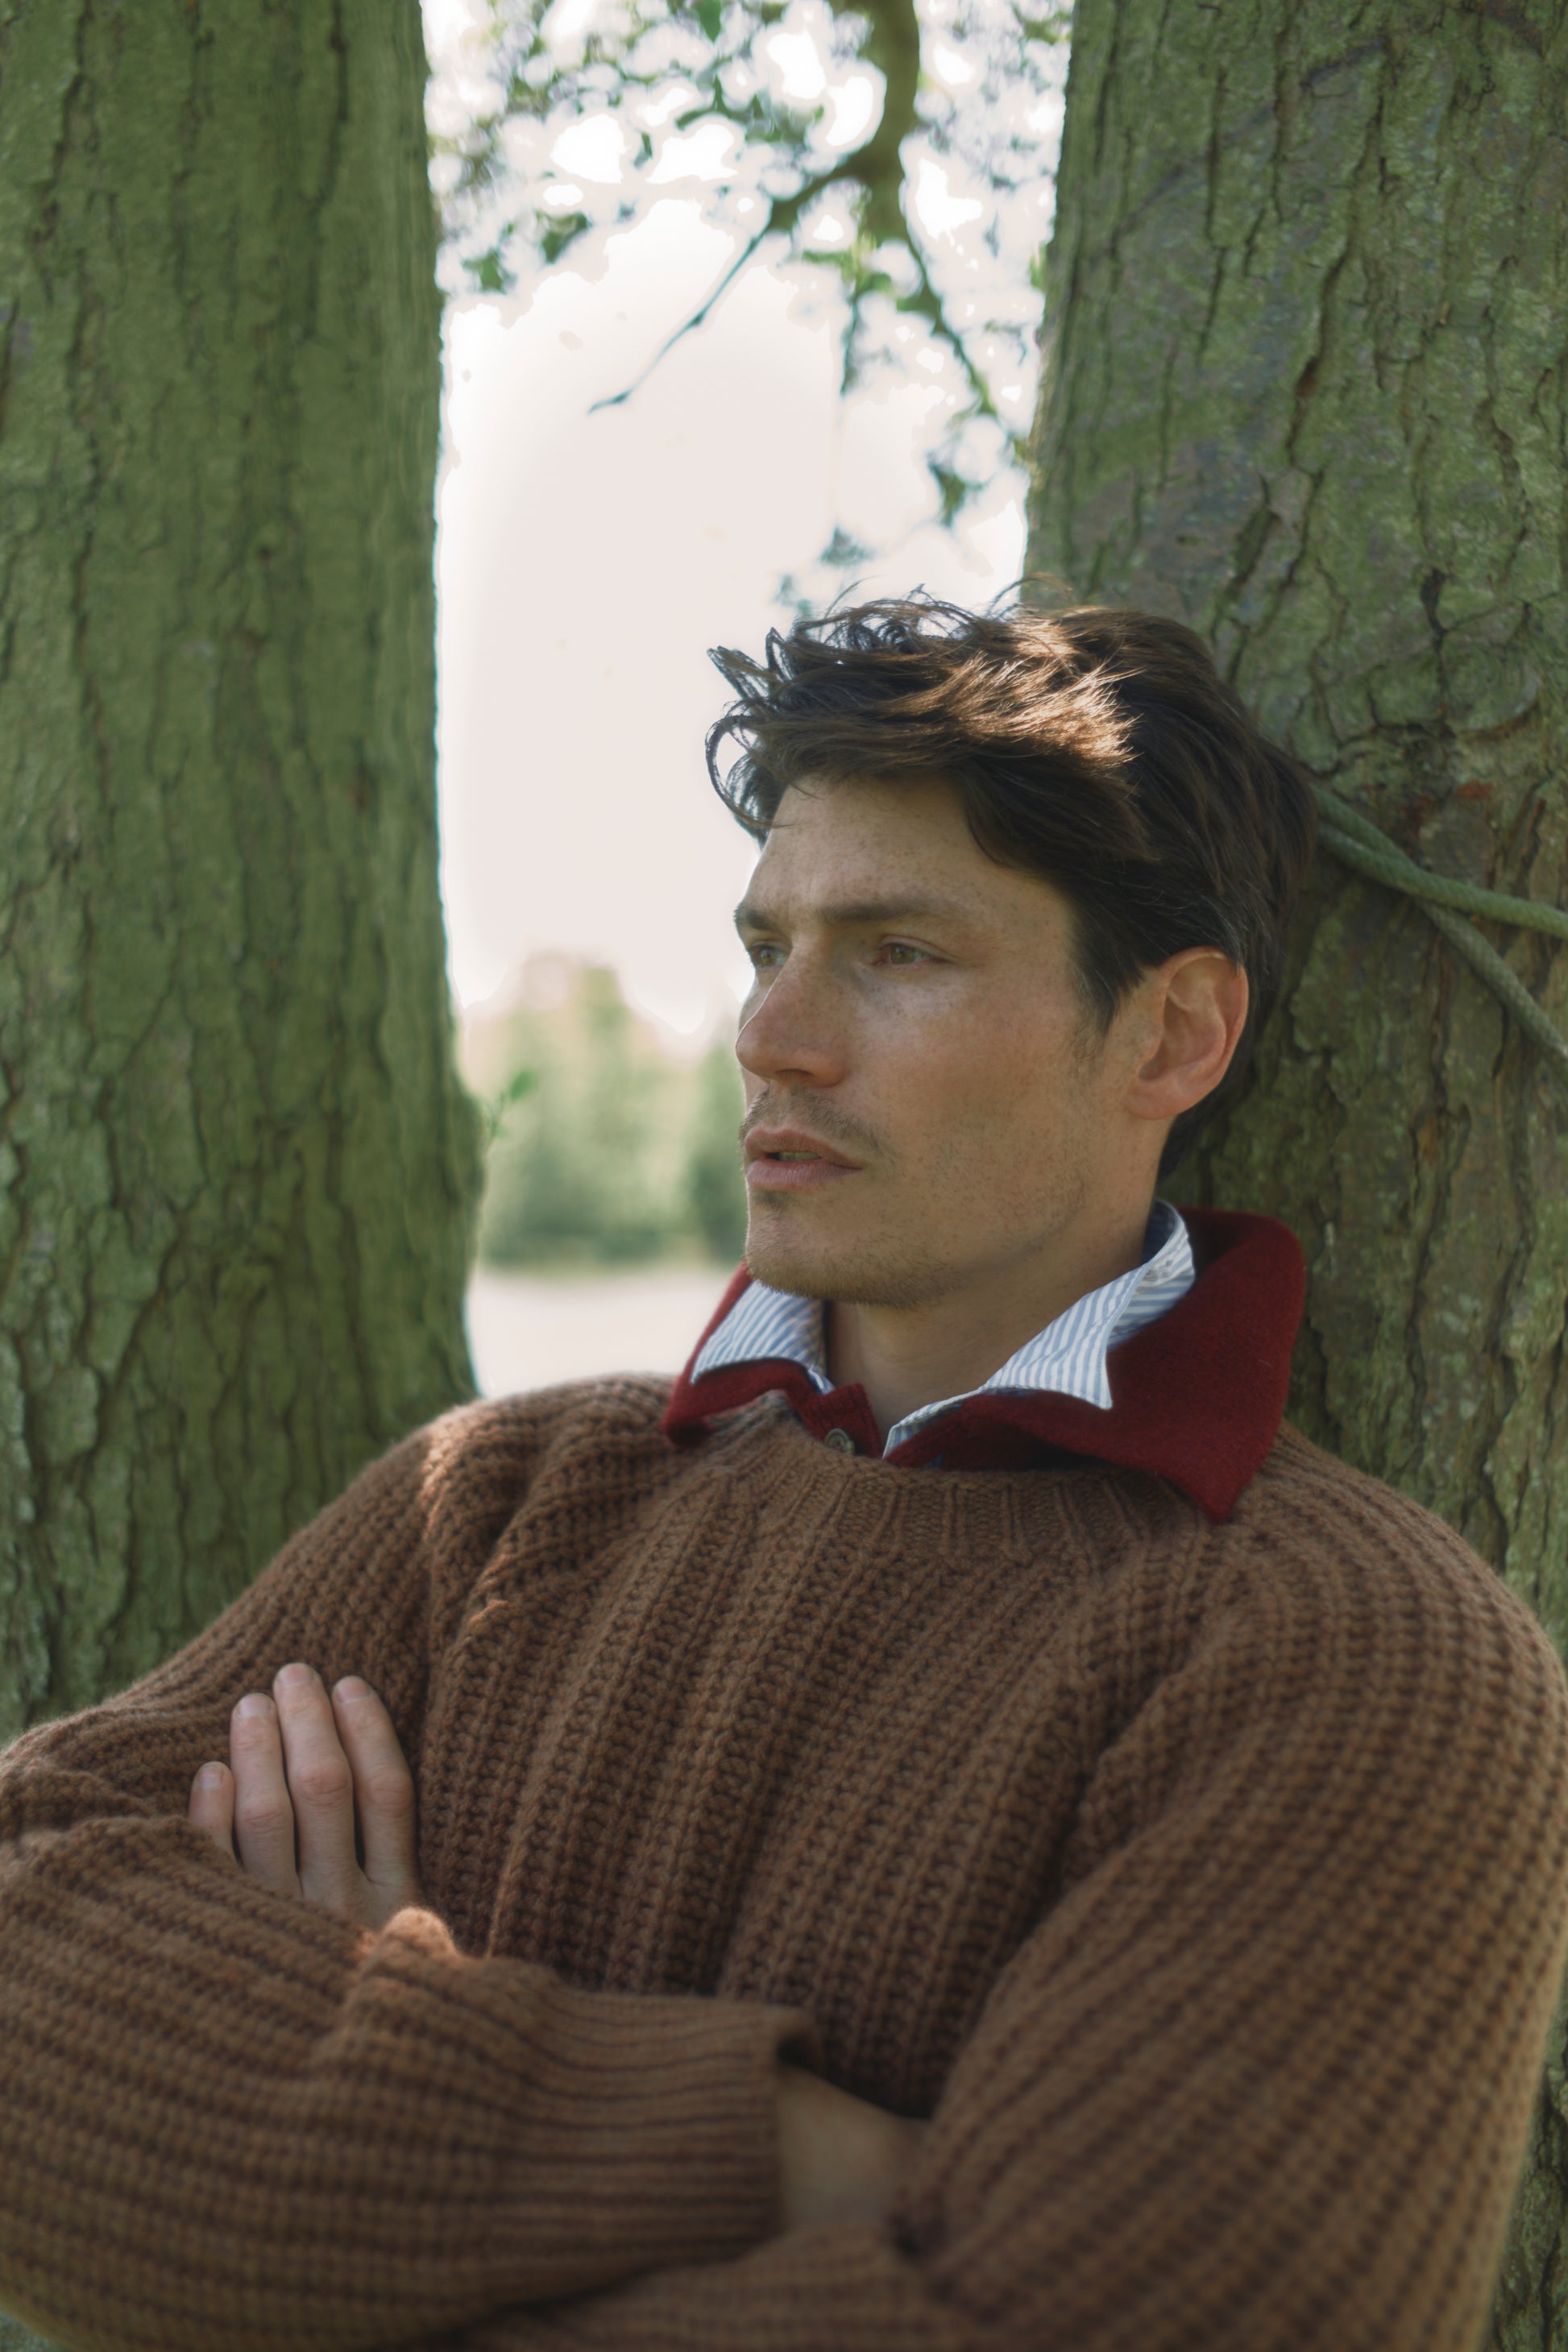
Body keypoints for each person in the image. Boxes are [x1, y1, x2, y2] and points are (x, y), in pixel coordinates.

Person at [2, 598, 1566, 2352]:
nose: (774, 1036)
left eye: (900, 952)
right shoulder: (502, 1496)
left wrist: (305, 2169)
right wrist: (774, 2141)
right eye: (767, 944)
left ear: (1171, 1036)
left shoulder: (1352, 1652)